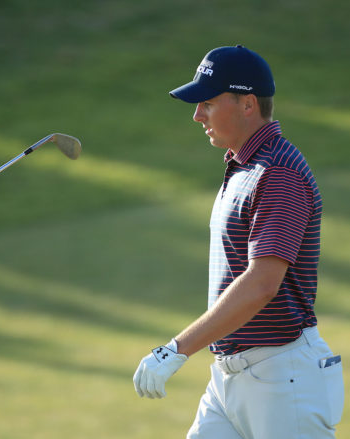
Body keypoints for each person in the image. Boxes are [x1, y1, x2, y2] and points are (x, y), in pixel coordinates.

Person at [132, 45, 345, 438]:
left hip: (284, 382)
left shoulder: (278, 172)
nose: (197, 115)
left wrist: (176, 349)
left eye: (208, 103)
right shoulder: (245, 166)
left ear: (248, 104)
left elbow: (262, 284)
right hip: (231, 380)